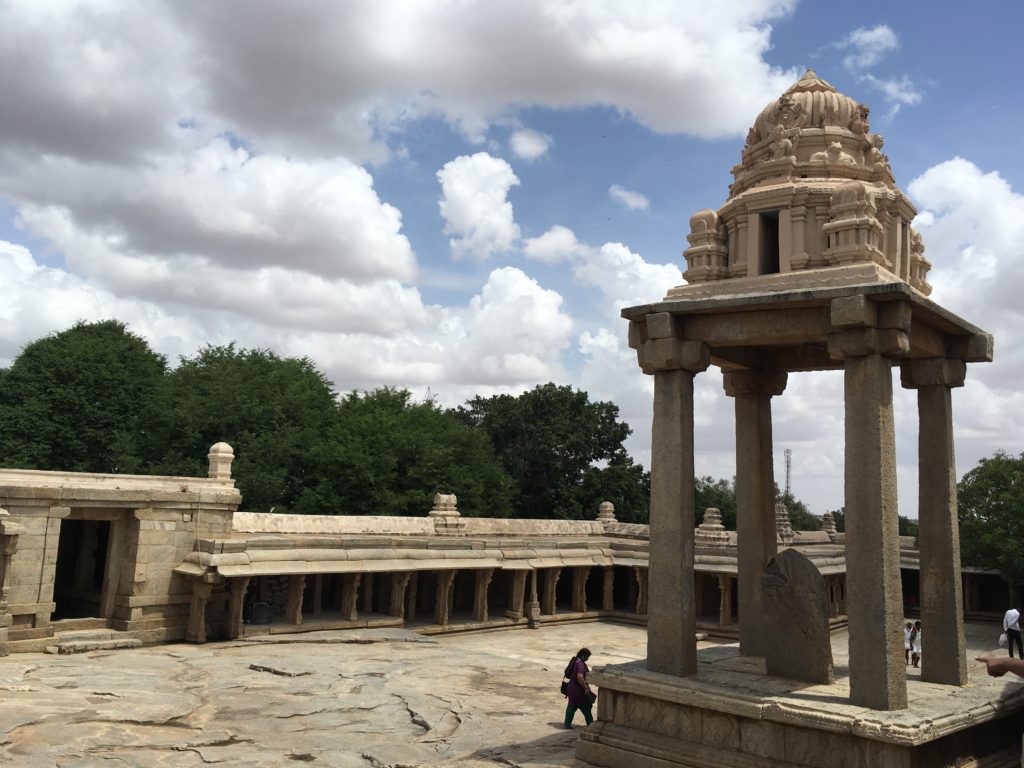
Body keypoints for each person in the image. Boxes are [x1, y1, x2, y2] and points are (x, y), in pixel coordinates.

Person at [564, 647, 595, 729]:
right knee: (586, 706)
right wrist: (585, 687)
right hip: (578, 690)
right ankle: (591, 725)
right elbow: (580, 677)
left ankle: (567, 724)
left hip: (571, 687)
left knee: (572, 705)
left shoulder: (575, 660)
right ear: (583, 656)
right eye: (587, 657)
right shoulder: (580, 664)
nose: (587, 659)